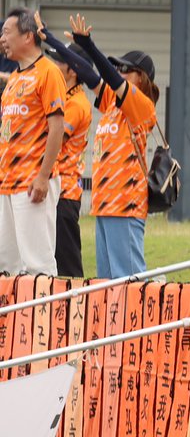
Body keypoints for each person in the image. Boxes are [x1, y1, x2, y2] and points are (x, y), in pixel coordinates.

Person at [60, 15, 158, 278]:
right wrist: (53, 41)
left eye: (126, 69)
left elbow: (111, 79)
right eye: (119, 68)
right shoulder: (111, 104)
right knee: (107, 283)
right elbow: (87, 73)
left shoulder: (141, 106)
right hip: (105, 203)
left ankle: (143, 321)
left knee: (129, 280)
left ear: (141, 78)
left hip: (125, 204)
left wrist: (91, 46)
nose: (120, 72)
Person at [0, 8, 65, 277]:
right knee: (8, 265)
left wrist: (42, 176)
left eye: (6, 32)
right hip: (7, 183)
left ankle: (42, 318)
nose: (1, 39)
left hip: (32, 183)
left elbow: (57, 127)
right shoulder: (14, 78)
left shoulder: (48, 72)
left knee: (37, 264)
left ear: (28, 36)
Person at [45, 41, 95, 277]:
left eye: (59, 60)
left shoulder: (76, 103)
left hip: (64, 194)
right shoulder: (62, 96)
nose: (53, 64)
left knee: (68, 268)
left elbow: (53, 137)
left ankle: (75, 310)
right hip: (54, 191)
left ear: (73, 71)